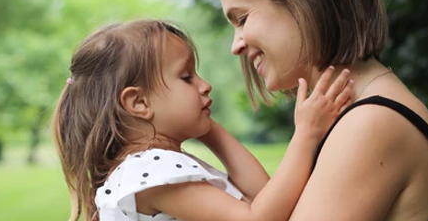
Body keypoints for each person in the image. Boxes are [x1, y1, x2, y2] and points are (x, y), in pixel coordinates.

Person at [207, 0, 428, 221]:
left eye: (241, 19)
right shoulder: (360, 113)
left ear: (299, 0)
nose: (236, 46)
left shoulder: (371, 124)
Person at [51, 19, 355, 221]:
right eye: (186, 77)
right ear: (139, 102)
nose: (204, 85)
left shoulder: (151, 167)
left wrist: (210, 130)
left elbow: (263, 196)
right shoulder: (150, 170)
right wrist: (306, 134)